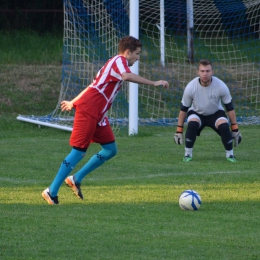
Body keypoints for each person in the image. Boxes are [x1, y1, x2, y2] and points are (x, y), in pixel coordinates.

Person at [42, 36, 169, 205]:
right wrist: (154, 83)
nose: (138, 58)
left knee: (110, 149)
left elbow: (92, 85)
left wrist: (73, 101)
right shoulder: (119, 60)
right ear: (128, 52)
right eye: (137, 54)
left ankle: (76, 178)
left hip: (99, 114)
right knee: (78, 151)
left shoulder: (116, 62)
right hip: (89, 109)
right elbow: (126, 76)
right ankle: (51, 191)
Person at [174, 59, 242, 162]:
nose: (205, 74)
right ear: (198, 72)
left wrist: (235, 129)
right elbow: (184, 109)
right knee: (192, 124)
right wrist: (179, 130)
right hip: (197, 113)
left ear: (212, 72)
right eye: (202, 71)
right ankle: (187, 154)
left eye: (207, 71)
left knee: (224, 126)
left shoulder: (221, 86)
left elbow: (230, 108)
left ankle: (230, 155)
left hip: (216, 113)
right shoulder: (190, 87)